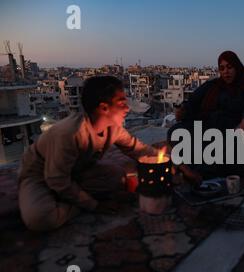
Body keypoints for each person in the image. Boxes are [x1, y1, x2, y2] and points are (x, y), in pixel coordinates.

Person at [18, 76, 156, 232]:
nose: (127, 108)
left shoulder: (113, 128)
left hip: (76, 171)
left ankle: (71, 197)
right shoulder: (70, 133)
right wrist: (93, 205)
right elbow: (56, 179)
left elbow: (136, 148)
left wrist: (167, 160)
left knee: (117, 177)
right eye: (122, 103)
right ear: (104, 108)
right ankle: (73, 202)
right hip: (41, 175)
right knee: (40, 218)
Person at [168, 50, 244, 183]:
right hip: (207, 129)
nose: (226, 71)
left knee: (227, 154)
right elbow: (192, 103)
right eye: (222, 68)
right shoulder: (213, 86)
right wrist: (183, 110)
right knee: (175, 132)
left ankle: (195, 173)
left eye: (230, 67)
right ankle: (192, 170)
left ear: (237, 67)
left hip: (232, 134)